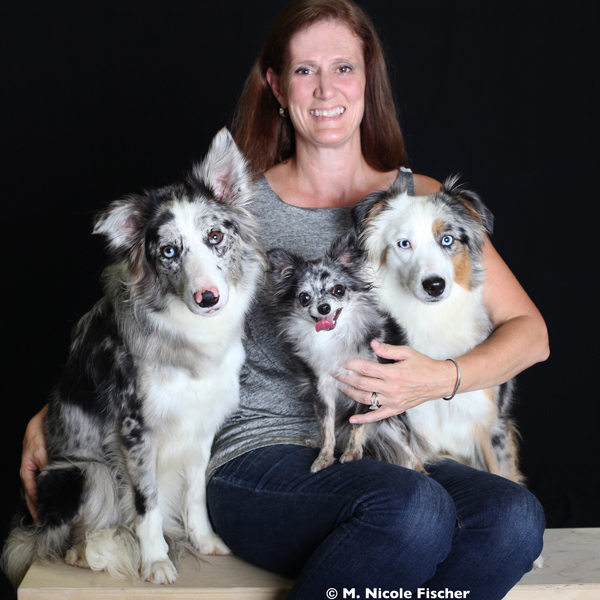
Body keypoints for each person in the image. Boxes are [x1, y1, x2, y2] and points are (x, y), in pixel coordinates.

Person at [20, 0, 549, 598]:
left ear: (368, 78)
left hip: (384, 450)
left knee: (513, 519)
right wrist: (60, 413)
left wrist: (442, 377)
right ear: (276, 84)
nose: (325, 88)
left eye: (343, 67)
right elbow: (133, 321)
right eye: (304, 70)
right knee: (413, 512)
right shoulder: (234, 209)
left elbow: (531, 331)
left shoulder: (416, 204)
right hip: (255, 458)